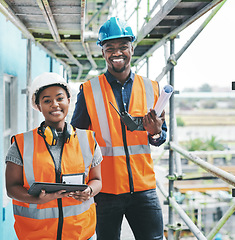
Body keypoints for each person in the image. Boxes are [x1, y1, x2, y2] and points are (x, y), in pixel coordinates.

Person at [71, 17, 167, 240]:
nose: (117, 53)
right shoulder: (89, 90)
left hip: (144, 188)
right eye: (110, 48)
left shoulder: (151, 88)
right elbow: (77, 140)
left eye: (123, 47)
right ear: (103, 52)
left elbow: (161, 137)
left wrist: (154, 131)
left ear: (131, 48)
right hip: (105, 191)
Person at [5, 72, 102, 240]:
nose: (55, 105)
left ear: (68, 101)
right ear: (38, 106)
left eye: (59, 98)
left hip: (80, 234)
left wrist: (89, 190)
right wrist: (35, 199)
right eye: (47, 101)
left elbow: (97, 180)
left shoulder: (88, 140)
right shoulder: (21, 144)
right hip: (37, 235)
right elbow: (12, 188)